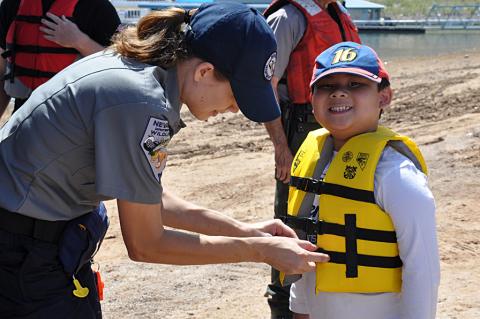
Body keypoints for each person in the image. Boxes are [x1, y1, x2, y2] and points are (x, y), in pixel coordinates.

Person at [0, 3, 330, 318]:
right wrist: (257, 252)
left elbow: (150, 198)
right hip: (21, 255)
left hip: (36, 243)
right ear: (204, 71)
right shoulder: (141, 101)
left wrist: (248, 232)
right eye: (236, 96)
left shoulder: (138, 69)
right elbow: (146, 243)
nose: (234, 110)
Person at [283, 41, 440, 319]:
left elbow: (422, 267)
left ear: (384, 97)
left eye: (356, 84)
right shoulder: (312, 158)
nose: (339, 93)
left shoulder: (395, 173)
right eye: (327, 86)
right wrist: (300, 309)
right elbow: (305, 239)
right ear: (311, 98)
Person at [262, 1, 361, 317]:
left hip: (342, 130)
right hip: (300, 132)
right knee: (293, 222)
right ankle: (282, 307)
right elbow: (266, 85)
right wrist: (281, 146)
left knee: (338, 216)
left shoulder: (340, 15)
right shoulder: (287, 19)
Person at [0, 0, 121, 116]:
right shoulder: (12, 5)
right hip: (22, 119)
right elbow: (1, 70)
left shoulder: (98, 7)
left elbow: (120, 66)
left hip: (77, 122)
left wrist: (80, 42)